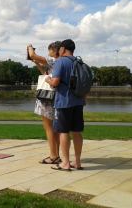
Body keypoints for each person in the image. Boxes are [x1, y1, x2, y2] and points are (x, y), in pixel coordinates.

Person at [47, 39, 85, 171]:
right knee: (77, 132)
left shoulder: (60, 62)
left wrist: (48, 80)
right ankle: (78, 162)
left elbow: (55, 82)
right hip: (78, 101)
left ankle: (66, 162)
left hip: (64, 102)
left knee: (63, 132)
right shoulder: (79, 62)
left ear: (62, 49)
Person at [27, 42, 61, 164]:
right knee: (55, 128)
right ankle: (56, 154)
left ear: (54, 50)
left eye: (49, 50)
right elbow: (45, 72)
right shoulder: (60, 62)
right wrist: (36, 63)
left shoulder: (53, 60)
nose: (48, 53)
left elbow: (32, 55)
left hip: (47, 97)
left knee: (48, 127)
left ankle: (53, 156)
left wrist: (29, 47)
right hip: (56, 96)